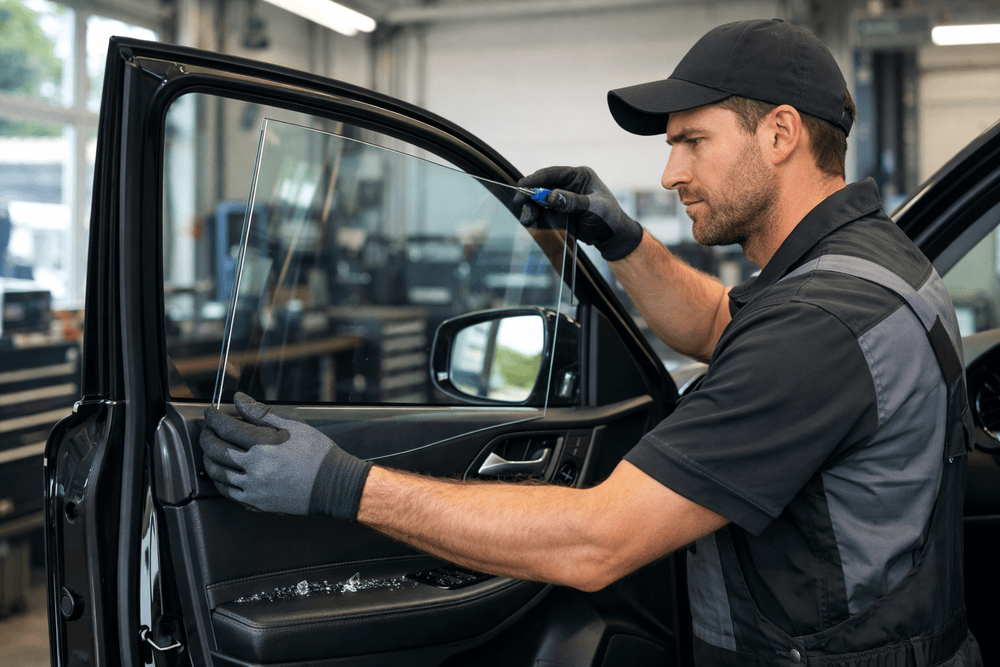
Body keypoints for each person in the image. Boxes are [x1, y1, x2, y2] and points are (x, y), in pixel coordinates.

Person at [200, 19, 982, 666]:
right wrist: (623, 241)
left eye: (693, 141)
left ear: (780, 133)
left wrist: (343, 485)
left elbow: (600, 540)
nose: (671, 172)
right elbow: (722, 325)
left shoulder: (819, 324)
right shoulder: (865, 264)